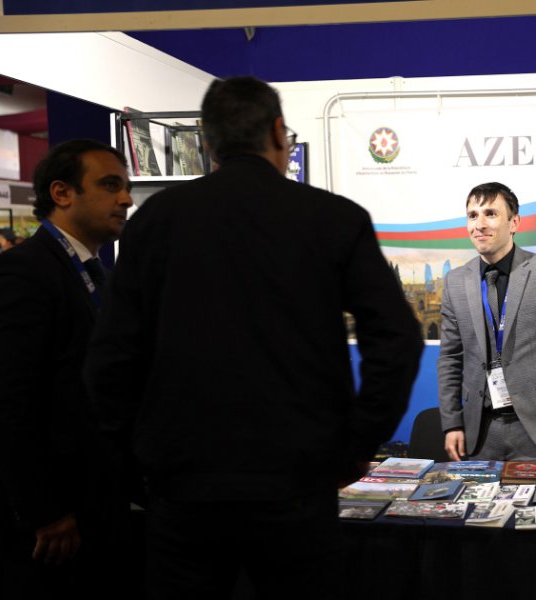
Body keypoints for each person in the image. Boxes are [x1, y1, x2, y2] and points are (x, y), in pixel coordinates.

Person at [84, 76, 423, 599]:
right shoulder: (333, 218)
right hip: (298, 485)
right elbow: (397, 339)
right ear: (279, 133)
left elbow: (111, 358)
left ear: (208, 143)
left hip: (185, 488)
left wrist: (141, 455)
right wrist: (356, 443)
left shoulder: (156, 221)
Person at [0, 139, 133, 598]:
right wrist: (45, 510)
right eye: (110, 185)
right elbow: (11, 401)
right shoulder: (25, 272)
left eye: (126, 187)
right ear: (62, 193)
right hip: (55, 523)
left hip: (99, 503)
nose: (126, 199)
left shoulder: (93, 272)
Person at [438, 182, 536, 464]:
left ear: (514, 223)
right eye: (473, 215)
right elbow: (450, 358)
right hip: (477, 434)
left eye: (490, 214)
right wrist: (452, 422)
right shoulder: (455, 282)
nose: (479, 224)